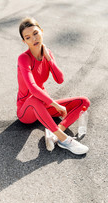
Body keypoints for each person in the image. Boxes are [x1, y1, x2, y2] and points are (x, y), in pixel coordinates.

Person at [16, 17, 90, 155]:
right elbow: (32, 88)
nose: (33, 39)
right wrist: (56, 105)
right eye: (28, 37)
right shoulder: (23, 58)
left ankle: (55, 133)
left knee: (84, 102)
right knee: (34, 99)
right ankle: (65, 140)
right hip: (27, 110)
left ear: (42, 32)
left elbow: (59, 79)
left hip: (43, 104)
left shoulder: (47, 53)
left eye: (35, 33)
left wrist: (49, 59)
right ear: (24, 41)